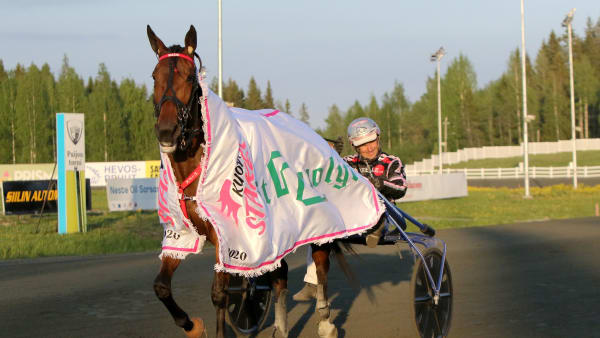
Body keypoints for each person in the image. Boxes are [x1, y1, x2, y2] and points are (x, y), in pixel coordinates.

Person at [293, 117, 408, 301]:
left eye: (371, 141)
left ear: (378, 138)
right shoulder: (346, 163)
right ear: (355, 146)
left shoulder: (392, 162)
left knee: (376, 202)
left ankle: (375, 228)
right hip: (350, 218)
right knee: (319, 231)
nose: (369, 147)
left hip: (384, 214)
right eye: (363, 144)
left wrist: (378, 183)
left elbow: (401, 188)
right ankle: (312, 282)